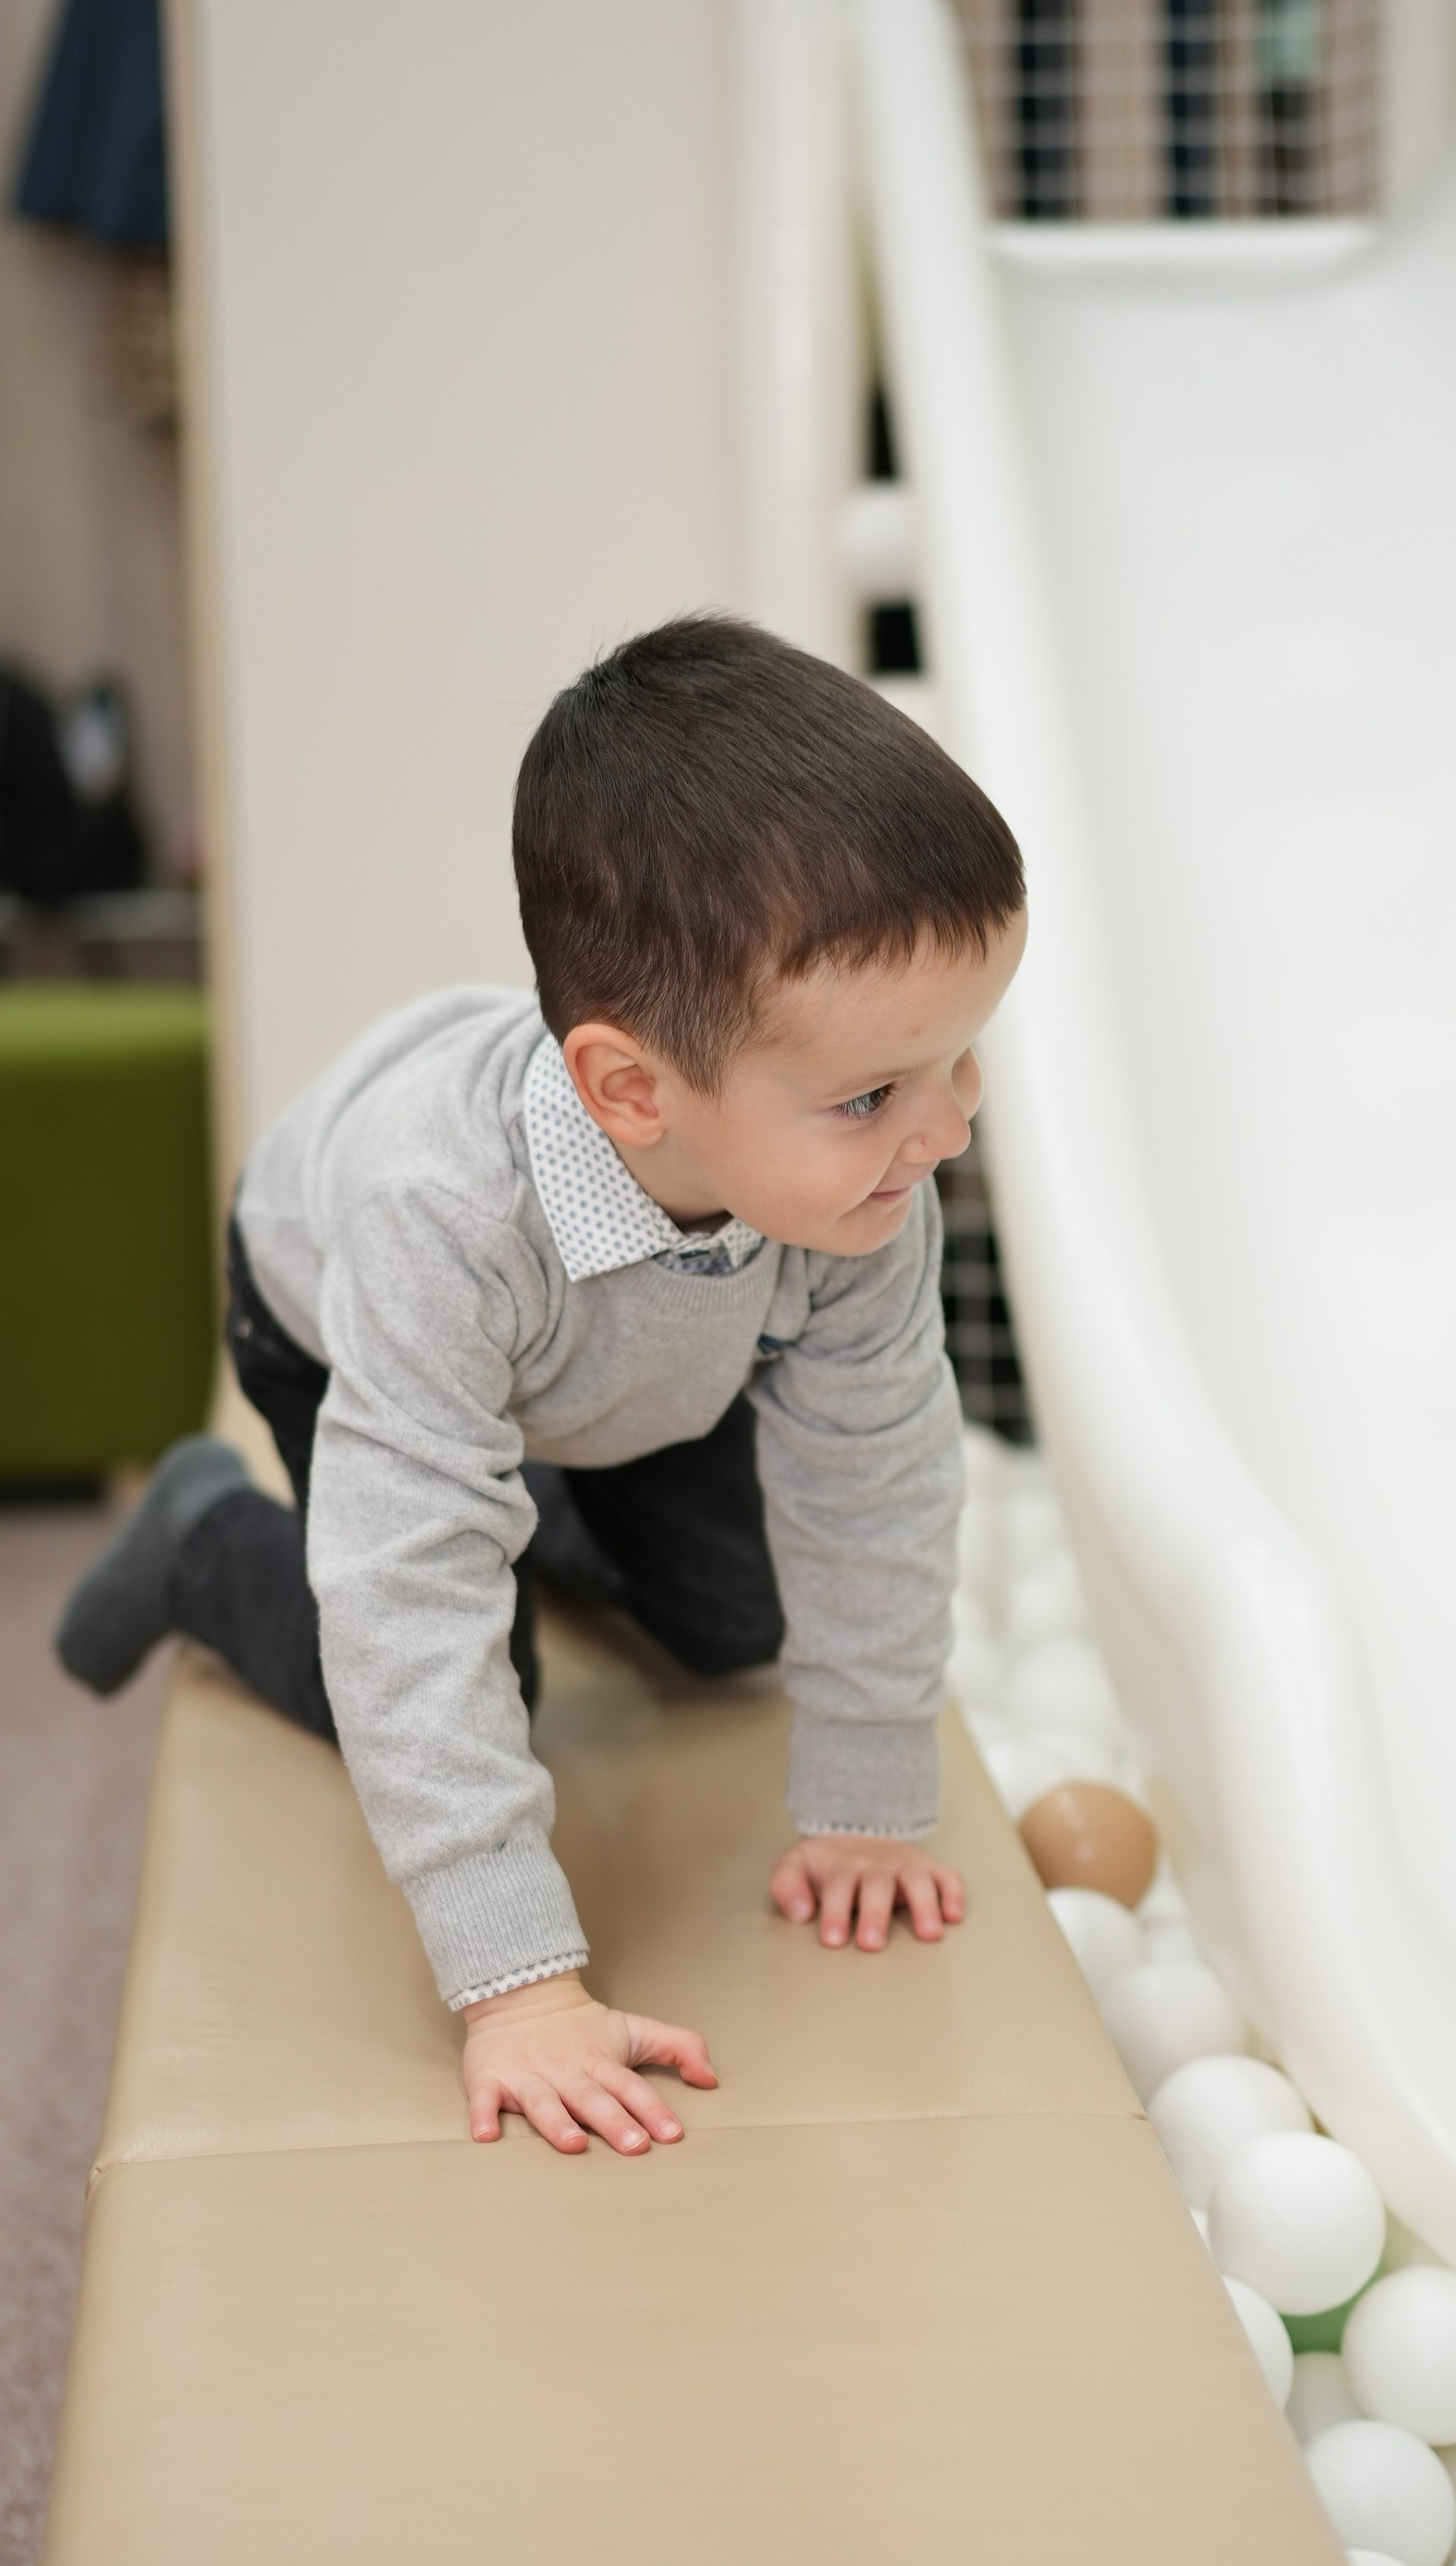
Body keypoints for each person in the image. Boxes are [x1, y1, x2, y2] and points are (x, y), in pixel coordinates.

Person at [57, 616, 1027, 2158]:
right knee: (472, 1677)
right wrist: (518, 1984)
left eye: (961, 1064)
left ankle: (547, 1483)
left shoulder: (860, 1192)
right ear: (634, 1091)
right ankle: (203, 1543)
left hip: (640, 1350)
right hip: (350, 1320)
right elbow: (407, 1582)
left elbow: (877, 1465)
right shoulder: (437, 1222)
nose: (946, 1133)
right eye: (874, 1095)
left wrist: (865, 1791)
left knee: (735, 1625)